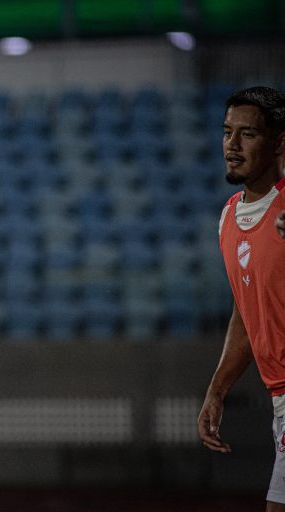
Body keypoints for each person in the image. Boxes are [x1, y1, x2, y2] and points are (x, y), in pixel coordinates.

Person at [198, 86, 285, 511]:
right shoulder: (228, 217)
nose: (232, 145)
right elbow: (247, 311)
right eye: (226, 132)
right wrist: (217, 391)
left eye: (247, 134)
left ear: (278, 143)